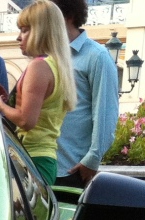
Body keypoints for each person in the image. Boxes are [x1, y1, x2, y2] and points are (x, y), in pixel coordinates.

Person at [0, 0, 75, 184]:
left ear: (42, 31)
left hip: (31, 158)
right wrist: (12, 102)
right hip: (45, 158)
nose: (19, 37)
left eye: (25, 30)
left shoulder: (39, 66)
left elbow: (26, 121)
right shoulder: (56, 65)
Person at [52, 0, 119, 188]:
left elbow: (105, 111)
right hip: (42, 166)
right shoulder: (48, 55)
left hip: (72, 169)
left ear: (69, 16)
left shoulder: (97, 56)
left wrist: (92, 159)